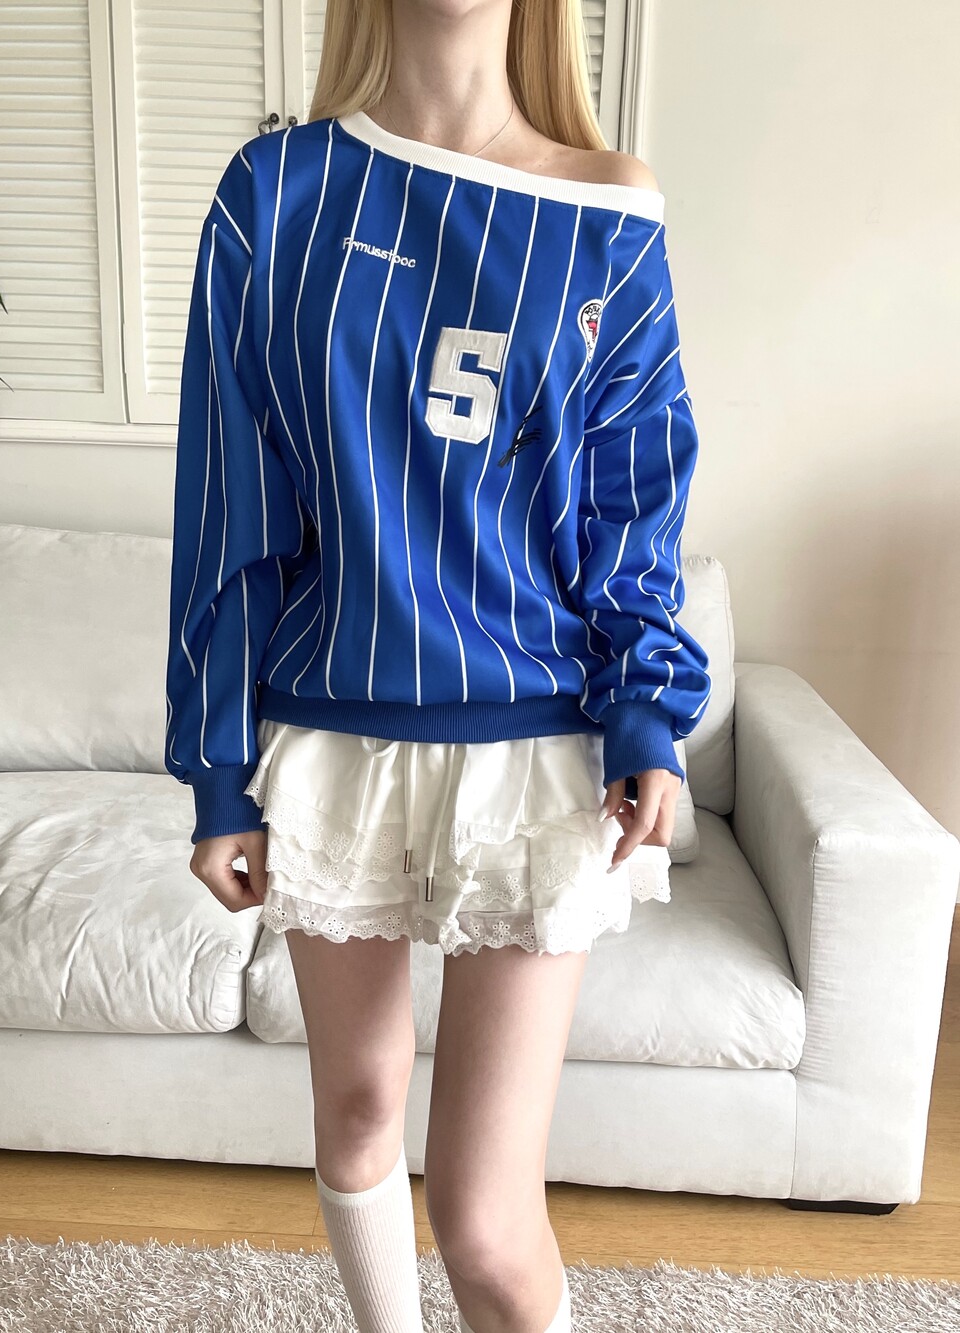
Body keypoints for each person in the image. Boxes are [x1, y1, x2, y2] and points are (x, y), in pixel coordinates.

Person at [164, 1, 712, 1328]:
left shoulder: (606, 209)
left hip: (534, 748)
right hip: (328, 730)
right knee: (355, 1117)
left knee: (481, 1215)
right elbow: (229, 507)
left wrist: (648, 710)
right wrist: (219, 773)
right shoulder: (272, 195)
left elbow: (633, 500)